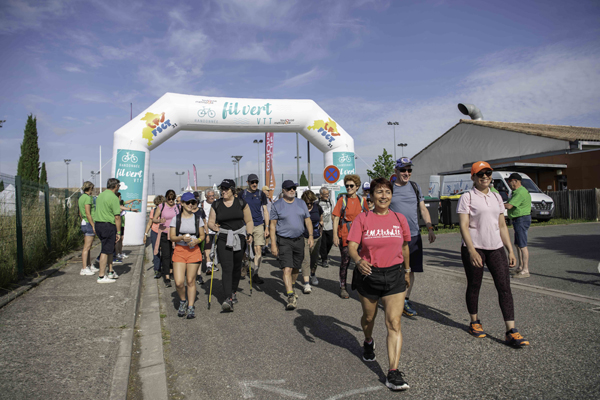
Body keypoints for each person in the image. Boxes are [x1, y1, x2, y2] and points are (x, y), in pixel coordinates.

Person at [348, 178, 412, 391]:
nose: (383, 196)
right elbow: (352, 246)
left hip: (394, 275)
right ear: (372, 195)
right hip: (369, 275)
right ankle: (368, 340)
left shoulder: (399, 218)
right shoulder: (363, 218)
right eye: (379, 192)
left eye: (387, 192)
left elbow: (405, 247)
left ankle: (393, 371)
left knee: (394, 322)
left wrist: (407, 271)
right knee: (369, 318)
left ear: (391, 195)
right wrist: (359, 261)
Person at [457, 161, 529, 347]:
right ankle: (474, 322)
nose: (485, 177)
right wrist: (471, 250)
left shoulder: (497, 197)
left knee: (504, 287)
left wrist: (510, 250)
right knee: (474, 285)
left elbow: (502, 225)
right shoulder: (467, 197)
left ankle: (511, 331)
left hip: (495, 247)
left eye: (488, 173)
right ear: (473, 177)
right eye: (480, 174)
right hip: (475, 247)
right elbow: (463, 226)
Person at [389, 157, 436, 317]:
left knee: (411, 270)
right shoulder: (390, 188)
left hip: (414, 235)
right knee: (395, 269)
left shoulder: (415, 187)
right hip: (395, 238)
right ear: (396, 171)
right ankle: (394, 298)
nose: (406, 173)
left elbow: (423, 209)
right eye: (403, 170)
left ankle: (405, 300)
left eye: (409, 170)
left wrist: (430, 227)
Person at [207, 179, 254, 312]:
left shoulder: (241, 203)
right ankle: (228, 298)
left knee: (236, 267)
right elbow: (210, 222)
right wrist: (213, 227)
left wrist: (249, 234)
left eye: (226, 189)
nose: (223, 191)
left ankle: (233, 291)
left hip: (239, 237)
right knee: (227, 267)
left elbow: (249, 221)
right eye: (222, 189)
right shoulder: (216, 204)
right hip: (223, 238)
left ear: (232, 190)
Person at [270, 180, 313, 310]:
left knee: (296, 267)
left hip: (299, 240)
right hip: (284, 241)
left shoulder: (301, 203)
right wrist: (273, 244)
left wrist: (311, 236)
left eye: (293, 188)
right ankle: (290, 296)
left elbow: (308, 220)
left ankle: (292, 286)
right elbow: (272, 225)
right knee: (287, 268)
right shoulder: (277, 205)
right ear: (283, 190)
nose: (292, 190)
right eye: (289, 188)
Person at [170, 192, 206, 319]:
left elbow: (202, 235)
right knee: (179, 282)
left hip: (193, 251)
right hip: (180, 250)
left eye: (193, 202)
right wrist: (181, 238)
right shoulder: (176, 219)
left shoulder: (197, 218)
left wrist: (197, 241)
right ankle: (183, 301)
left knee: (190, 281)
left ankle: (190, 306)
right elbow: (172, 237)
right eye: (188, 202)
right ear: (182, 204)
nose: (191, 204)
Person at [332, 174, 368, 299]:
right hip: (345, 235)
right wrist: (335, 235)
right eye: (347, 185)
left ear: (357, 187)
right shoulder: (342, 200)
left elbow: (368, 217)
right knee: (345, 261)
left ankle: (359, 285)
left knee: (360, 261)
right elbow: (336, 218)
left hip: (360, 236)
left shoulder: (362, 200)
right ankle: (343, 287)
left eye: (351, 186)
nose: (348, 188)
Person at [241, 174, 269, 284]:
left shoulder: (261, 194)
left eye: (256, 182)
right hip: (245, 225)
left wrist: (266, 227)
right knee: (244, 249)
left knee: (258, 249)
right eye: (252, 182)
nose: (254, 184)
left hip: (258, 225)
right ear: (248, 182)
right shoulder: (242, 194)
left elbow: (265, 211)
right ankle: (245, 264)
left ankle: (255, 273)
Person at [94, 178, 122, 283]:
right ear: (115, 186)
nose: (119, 188)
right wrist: (118, 232)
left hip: (98, 224)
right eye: (119, 186)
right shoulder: (114, 198)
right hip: (108, 225)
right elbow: (117, 217)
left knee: (109, 248)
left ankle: (110, 271)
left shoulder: (100, 195)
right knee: (105, 251)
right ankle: (101, 276)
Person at [504, 173, 532, 278]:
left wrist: (496, 204)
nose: (509, 184)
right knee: (518, 244)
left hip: (521, 219)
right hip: (518, 220)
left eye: (509, 181)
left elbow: (509, 206)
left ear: (515, 181)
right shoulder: (517, 192)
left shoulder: (520, 192)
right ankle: (520, 267)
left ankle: (525, 270)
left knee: (523, 245)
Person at [152, 190, 179, 287]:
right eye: (169, 199)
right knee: (166, 255)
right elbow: (154, 219)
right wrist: (159, 220)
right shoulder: (161, 206)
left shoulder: (178, 207)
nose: (171, 201)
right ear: (166, 198)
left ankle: (171, 271)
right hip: (164, 233)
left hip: (175, 233)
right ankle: (166, 276)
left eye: (173, 199)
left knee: (174, 254)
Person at [300, 190, 323, 292]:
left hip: (316, 236)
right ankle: (306, 283)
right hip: (304, 236)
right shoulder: (300, 208)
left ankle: (312, 274)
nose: (309, 205)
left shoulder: (317, 207)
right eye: (307, 203)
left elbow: (321, 219)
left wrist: (321, 227)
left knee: (314, 258)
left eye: (311, 202)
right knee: (305, 259)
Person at [78, 181, 99, 276]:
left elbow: (80, 213)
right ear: (90, 188)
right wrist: (93, 225)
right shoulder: (87, 198)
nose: (93, 190)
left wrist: (84, 220)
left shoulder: (81, 198)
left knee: (88, 246)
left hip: (85, 222)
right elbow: (88, 213)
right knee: (87, 247)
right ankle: (84, 268)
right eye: (92, 188)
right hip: (89, 223)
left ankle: (89, 265)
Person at [144, 195, 165, 278]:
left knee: (165, 251)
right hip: (155, 232)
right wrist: (145, 234)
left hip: (164, 232)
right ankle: (157, 269)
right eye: (158, 204)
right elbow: (149, 223)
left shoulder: (166, 211)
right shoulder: (153, 211)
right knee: (156, 251)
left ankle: (165, 267)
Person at [202, 189, 218, 276]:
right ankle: (208, 264)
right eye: (210, 196)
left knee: (214, 247)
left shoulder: (217, 203)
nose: (212, 197)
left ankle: (213, 263)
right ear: (206, 196)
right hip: (206, 230)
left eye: (213, 196)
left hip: (215, 229)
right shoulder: (202, 205)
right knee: (207, 247)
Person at [318, 187, 334, 269]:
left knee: (330, 242)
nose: (327, 195)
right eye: (325, 194)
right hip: (321, 227)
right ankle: (324, 260)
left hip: (330, 226)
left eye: (328, 194)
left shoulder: (331, 202)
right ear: (321, 194)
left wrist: (334, 224)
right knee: (323, 244)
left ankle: (324, 255)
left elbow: (333, 214)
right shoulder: (317, 203)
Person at [262, 185, 274, 255]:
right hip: (263, 218)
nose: (268, 192)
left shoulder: (270, 199)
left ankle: (266, 246)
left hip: (270, 219)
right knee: (263, 233)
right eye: (267, 191)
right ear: (263, 191)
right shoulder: (260, 199)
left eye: (269, 191)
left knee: (268, 233)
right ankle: (262, 247)